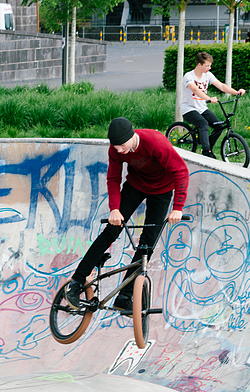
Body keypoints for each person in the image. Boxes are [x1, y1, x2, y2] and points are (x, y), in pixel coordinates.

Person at [64, 117, 189, 313]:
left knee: (147, 244)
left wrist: (178, 207)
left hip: (162, 192)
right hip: (135, 187)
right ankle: (77, 281)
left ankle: (125, 295)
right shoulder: (115, 149)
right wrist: (114, 208)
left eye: (122, 146)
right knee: (110, 232)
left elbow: (180, 171)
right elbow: (113, 177)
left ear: (132, 137)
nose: (120, 151)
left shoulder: (155, 143)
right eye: (115, 147)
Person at [180, 52, 246, 159]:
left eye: (210, 65)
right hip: (188, 109)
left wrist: (236, 92)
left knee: (219, 126)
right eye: (207, 66)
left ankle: (206, 144)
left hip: (202, 108)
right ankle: (207, 151)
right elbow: (195, 89)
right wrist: (209, 98)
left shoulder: (208, 75)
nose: (209, 68)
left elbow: (221, 86)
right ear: (199, 65)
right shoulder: (189, 76)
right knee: (203, 123)